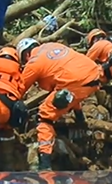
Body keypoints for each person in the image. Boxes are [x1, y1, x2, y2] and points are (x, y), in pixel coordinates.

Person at [16, 38, 101, 171]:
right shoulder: (52, 45)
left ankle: (45, 163)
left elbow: (18, 90)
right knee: (68, 95)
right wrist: (79, 115)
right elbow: (72, 91)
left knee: (44, 117)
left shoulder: (33, 62)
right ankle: (81, 122)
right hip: (94, 76)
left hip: (74, 83)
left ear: (26, 54)